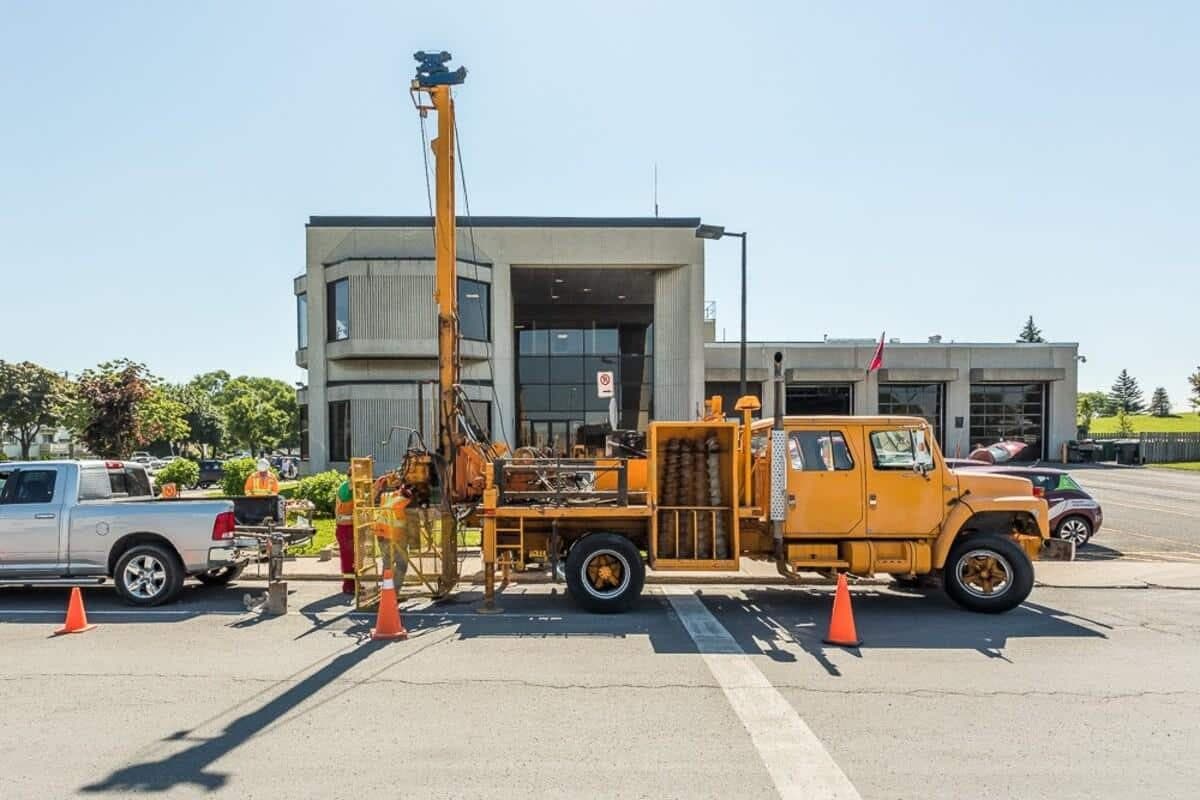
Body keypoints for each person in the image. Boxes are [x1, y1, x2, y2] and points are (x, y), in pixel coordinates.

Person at [334, 476, 355, 594]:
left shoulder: (351, 487)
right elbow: (344, 513)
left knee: (355, 557)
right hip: (345, 528)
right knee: (348, 558)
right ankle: (348, 585)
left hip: (351, 527)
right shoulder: (345, 489)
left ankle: (354, 583)